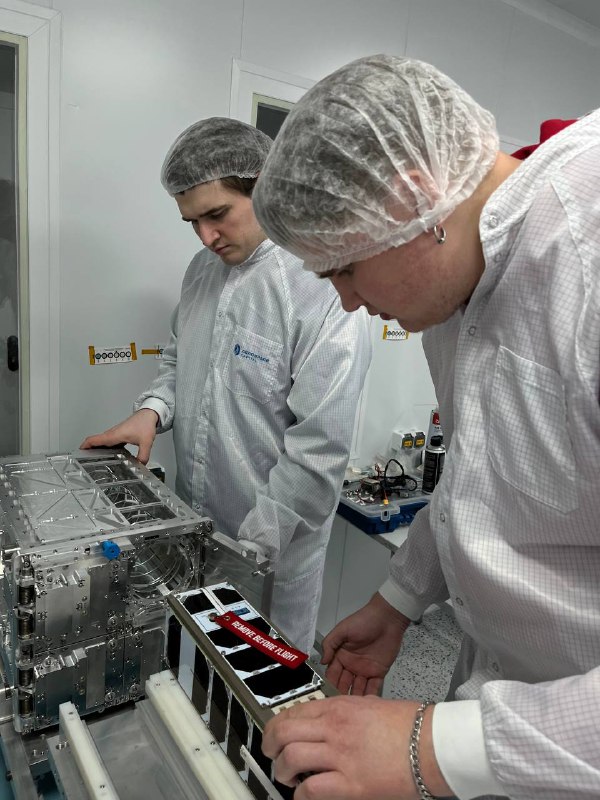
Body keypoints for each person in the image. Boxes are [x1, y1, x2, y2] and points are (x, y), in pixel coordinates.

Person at [252, 55, 600, 799]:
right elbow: (481, 478)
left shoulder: (585, 255)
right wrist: (399, 601)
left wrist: (434, 747)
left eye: (344, 269)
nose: (347, 303)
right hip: (504, 706)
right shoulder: (460, 277)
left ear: (413, 197)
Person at [81, 117, 371, 653]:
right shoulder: (201, 271)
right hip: (197, 531)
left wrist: (246, 552)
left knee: (262, 682)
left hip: (272, 556)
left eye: (217, 215)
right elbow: (179, 359)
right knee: (195, 673)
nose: (206, 237)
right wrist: (151, 411)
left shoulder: (320, 288)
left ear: (267, 187)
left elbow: (320, 449)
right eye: (192, 221)